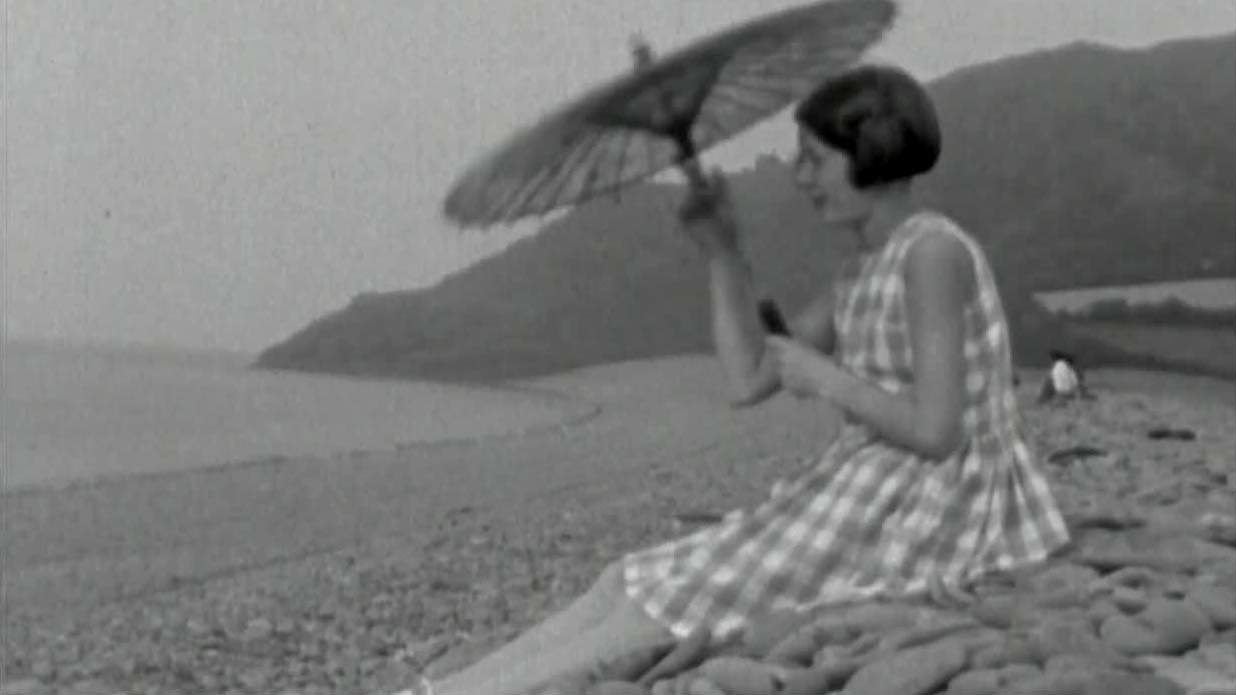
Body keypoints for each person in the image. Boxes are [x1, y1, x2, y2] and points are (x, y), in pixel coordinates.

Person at [401, 64, 1071, 695]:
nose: (800, 176)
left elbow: (939, 429)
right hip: (874, 478)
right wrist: (721, 252)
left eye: (814, 160)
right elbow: (750, 376)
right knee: (624, 578)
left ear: (872, 153)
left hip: (937, 499)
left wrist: (827, 378)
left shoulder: (932, 253)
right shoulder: (861, 269)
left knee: (681, 599)